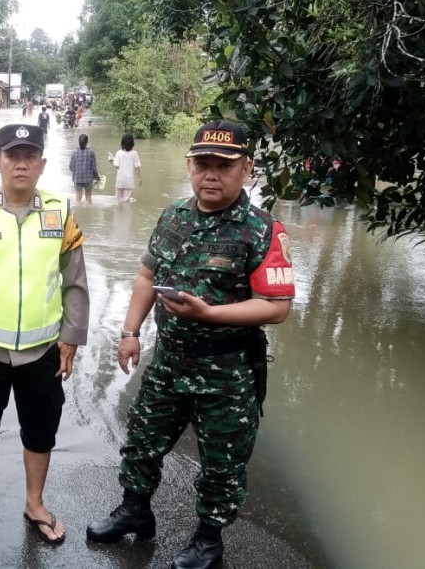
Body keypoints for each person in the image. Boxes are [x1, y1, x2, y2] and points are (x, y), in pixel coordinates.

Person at [86, 120, 295, 569]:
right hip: (169, 362)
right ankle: (135, 511)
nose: (212, 174)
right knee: (142, 441)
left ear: (247, 169)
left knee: (221, 464)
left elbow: (277, 306)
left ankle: (207, 540)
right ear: (189, 166)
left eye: (224, 165)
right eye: (203, 164)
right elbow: (146, 275)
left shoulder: (262, 230)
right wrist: (129, 332)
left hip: (227, 372)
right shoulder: (173, 216)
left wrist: (211, 314)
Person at [0, 123, 89, 545]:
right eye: (12, 156)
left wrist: (71, 337)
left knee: (41, 429)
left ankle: (35, 502)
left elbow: (74, 281)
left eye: (29, 156)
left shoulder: (60, 212)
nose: (20, 163)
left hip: (43, 350)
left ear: (42, 164)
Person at [108, 133, 143, 203]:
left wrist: (111, 160)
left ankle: (118, 213)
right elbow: (137, 167)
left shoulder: (119, 153)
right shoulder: (134, 154)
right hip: (129, 182)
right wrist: (139, 178)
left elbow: (116, 165)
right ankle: (126, 212)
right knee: (126, 202)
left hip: (120, 180)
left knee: (118, 200)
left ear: (122, 143)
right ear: (132, 143)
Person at [69, 133, 100, 203]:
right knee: (88, 197)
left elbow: (70, 167)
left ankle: (77, 211)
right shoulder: (91, 152)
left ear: (78, 142)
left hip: (77, 178)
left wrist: (76, 173)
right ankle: (88, 212)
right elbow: (94, 168)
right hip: (88, 179)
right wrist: (97, 177)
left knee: (78, 197)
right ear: (87, 142)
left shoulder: (74, 152)